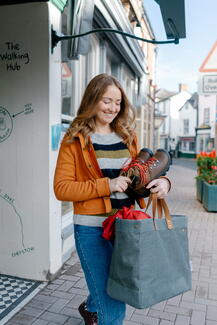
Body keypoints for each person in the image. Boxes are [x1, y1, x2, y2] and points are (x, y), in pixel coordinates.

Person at [54, 74, 171, 325]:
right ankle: (100, 310)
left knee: (117, 285)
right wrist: (107, 185)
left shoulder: (127, 136)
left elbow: (140, 181)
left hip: (125, 228)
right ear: (93, 99)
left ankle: (91, 307)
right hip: (91, 230)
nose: (112, 108)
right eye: (107, 101)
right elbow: (62, 189)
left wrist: (163, 182)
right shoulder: (74, 140)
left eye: (117, 102)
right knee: (113, 299)